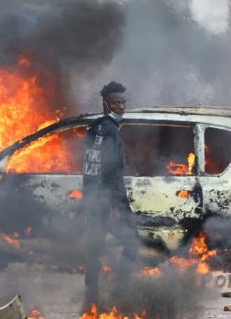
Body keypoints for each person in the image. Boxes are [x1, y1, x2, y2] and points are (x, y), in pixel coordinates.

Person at [82, 81, 139, 305]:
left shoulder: (94, 128)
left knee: (94, 248)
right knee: (132, 242)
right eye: (116, 102)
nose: (121, 106)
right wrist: (122, 207)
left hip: (93, 200)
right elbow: (112, 171)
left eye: (123, 102)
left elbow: (89, 166)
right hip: (107, 201)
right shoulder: (111, 131)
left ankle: (92, 294)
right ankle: (119, 291)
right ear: (106, 103)